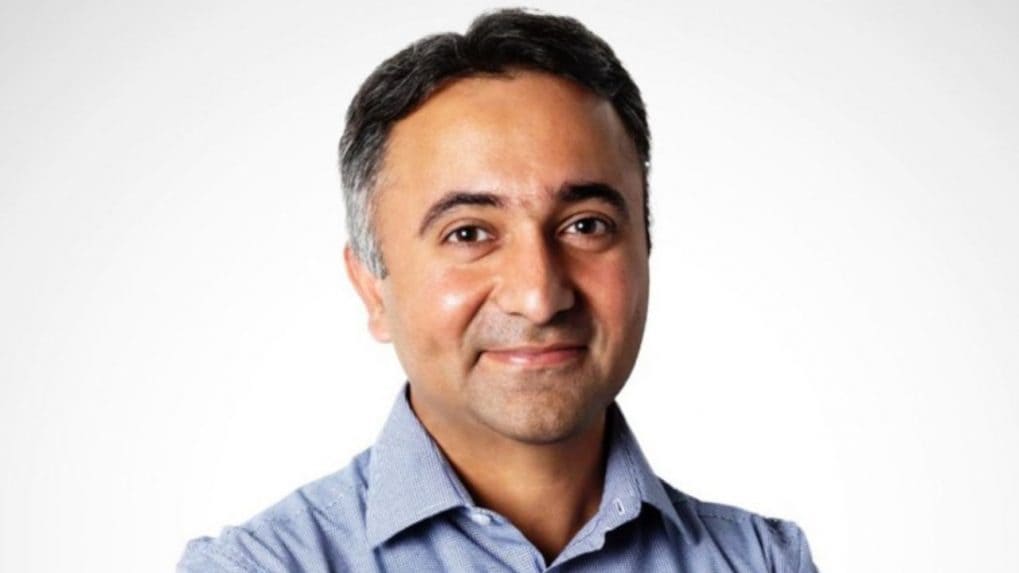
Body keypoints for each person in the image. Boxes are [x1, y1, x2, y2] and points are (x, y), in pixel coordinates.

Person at [178, 8, 818, 572]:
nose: (539, 296)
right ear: (372, 287)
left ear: (644, 248)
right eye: (468, 233)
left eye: (586, 225)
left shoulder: (760, 562)